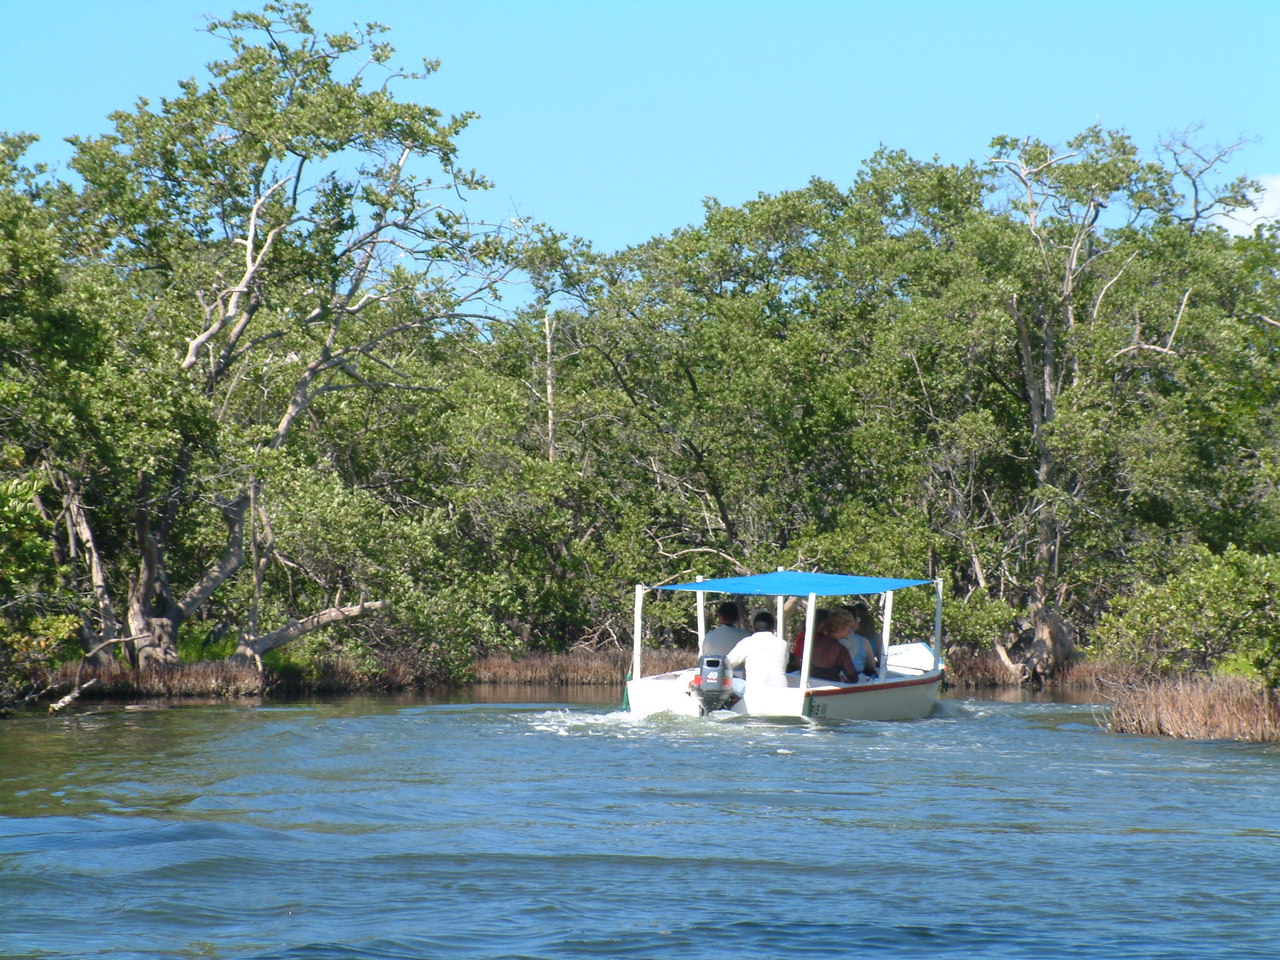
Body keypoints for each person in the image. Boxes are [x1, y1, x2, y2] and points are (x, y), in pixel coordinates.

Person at [725, 610, 788, 688]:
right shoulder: (783, 644)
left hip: (754, 691)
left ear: (754, 628)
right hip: (780, 691)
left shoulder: (747, 642)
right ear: (773, 628)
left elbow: (726, 664)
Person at [805, 609, 861, 682]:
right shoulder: (841, 650)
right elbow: (853, 677)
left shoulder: (813, 643)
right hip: (829, 685)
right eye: (849, 627)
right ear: (842, 627)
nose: (850, 631)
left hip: (809, 683)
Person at [840, 603, 879, 677]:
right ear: (853, 621)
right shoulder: (863, 641)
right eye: (857, 619)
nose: (859, 621)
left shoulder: (832, 638)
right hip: (855, 678)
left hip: (834, 677)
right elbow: (872, 666)